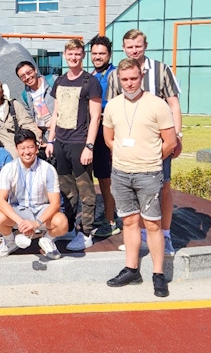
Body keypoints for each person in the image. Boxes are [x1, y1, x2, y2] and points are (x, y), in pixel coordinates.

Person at [103, 58, 177, 298]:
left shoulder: (158, 105)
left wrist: (152, 160)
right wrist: (124, 156)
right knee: (128, 222)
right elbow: (109, 139)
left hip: (149, 173)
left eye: (133, 78)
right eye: (124, 79)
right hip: (121, 173)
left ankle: (158, 274)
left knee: (153, 224)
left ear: (141, 76)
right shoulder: (112, 105)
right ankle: (131, 268)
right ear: (118, 79)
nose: (129, 83)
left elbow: (170, 142)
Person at [106, 29, 183, 256]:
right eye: (130, 47)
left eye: (138, 46)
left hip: (157, 141)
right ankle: (137, 237)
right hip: (129, 147)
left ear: (145, 45)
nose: (134, 50)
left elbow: (174, 104)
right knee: (130, 189)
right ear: (124, 48)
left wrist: (177, 136)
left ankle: (165, 235)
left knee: (164, 186)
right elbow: (113, 110)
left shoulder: (161, 70)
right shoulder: (116, 75)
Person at [45, 39, 102, 251]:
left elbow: (95, 117)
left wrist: (89, 146)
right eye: (70, 54)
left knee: (86, 191)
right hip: (61, 143)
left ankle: (86, 232)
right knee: (67, 191)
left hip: (80, 143)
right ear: (65, 55)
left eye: (77, 54)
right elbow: (55, 113)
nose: (73, 57)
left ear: (83, 55)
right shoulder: (60, 81)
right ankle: (68, 227)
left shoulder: (90, 81)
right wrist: (50, 140)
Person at [0, 129, 68, 260]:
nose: (26, 152)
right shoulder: (8, 169)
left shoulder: (48, 169)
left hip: (41, 210)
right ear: (16, 149)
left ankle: (48, 240)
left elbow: (55, 203)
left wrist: (37, 223)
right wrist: (20, 222)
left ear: (37, 148)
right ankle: (9, 241)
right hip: (18, 210)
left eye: (30, 147)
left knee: (62, 223)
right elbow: (0, 201)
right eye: (22, 148)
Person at [88, 35, 120, 238]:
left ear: (109, 55)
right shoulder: (91, 74)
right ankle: (107, 214)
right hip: (93, 133)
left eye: (102, 54)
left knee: (107, 179)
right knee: (100, 177)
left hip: (108, 132)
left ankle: (110, 221)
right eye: (95, 54)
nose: (98, 57)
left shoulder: (115, 75)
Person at [16, 61, 57, 147]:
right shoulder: (25, 96)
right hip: (48, 137)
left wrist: (54, 122)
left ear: (35, 70)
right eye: (22, 76)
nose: (27, 77)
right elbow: (32, 118)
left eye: (29, 73)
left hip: (64, 132)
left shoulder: (53, 81)